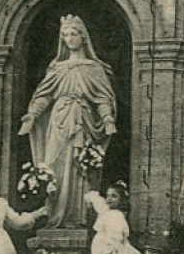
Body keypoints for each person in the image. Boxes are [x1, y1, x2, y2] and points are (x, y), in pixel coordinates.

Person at [18, 15, 117, 228]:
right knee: (53, 165)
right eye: (65, 35)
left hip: (83, 121)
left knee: (79, 167)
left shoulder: (94, 68)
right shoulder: (57, 67)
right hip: (58, 121)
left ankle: (76, 219)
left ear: (83, 37)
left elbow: (102, 97)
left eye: (73, 34)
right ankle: (54, 217)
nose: (69, 39)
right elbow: (45, 94)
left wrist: (108, 118)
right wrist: (33, 114)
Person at [85, 182, 161, 254]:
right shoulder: (108, 211)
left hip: (110, 252)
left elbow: (113, 238)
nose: (109, 199)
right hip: (102, 250)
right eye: (108, 196)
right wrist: (91, 198)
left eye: (114, 196)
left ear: (122, 200)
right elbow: (98, 202)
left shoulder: (115, 215)